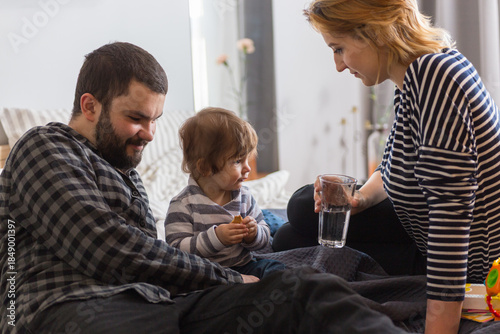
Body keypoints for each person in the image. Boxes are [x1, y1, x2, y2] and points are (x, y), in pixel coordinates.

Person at [0, 41, 409, 333]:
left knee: (302, 288)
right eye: (137, 118)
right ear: (90, 106)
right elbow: (107, 246)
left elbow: (152, 260)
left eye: (156, 119)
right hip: (69, 310)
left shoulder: (126, 172)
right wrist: (228, 279)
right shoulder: (43, 148)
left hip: (159, 303)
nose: (149, 133)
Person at [274, 0, 500, 333]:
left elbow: (451, 217)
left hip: (471, 268)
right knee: (294, 224)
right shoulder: (411, 80)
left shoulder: (436, 77)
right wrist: (359, 200)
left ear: (372, 33)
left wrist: (439, 326)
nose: (338, 65)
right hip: (419, 234)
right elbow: (393, 164)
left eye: (339, 49)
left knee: (297, 220)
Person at [165, 107, 285, 278]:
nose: (248, 168)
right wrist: (217, 237)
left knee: (276, 269)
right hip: (207, 274)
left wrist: (254, 233)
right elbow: (176, 251)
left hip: (244, 265)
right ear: (205, 167)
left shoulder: (244, 197)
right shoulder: (183, 205)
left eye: (247, 159)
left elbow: (264, 237)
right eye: (237, 161)